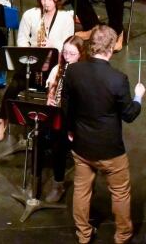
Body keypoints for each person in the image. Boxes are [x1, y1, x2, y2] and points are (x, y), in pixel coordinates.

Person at [62, 25, 146, 244]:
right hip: (110, 151)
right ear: (110, 49)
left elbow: (67, 107)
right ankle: (123, 236)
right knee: (120, 192)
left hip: (81, 145)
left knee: (81, 190)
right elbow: (129, 115)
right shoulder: (118, 79)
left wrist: (70, 130)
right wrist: (138, 97)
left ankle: (83, 235)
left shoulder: (73, 71)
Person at [0, 0, 75, 141]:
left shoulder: (66, 18)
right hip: (31, 63)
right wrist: (33, 50)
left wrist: (53, 46)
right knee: (14, 86)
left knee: (55, 93)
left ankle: (48, 127)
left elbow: (69, 45)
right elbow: (22, 40)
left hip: (54, 65)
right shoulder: (30, 15)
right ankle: (3, 120)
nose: (46, 3)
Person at [40, 35, 85, 203]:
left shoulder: (83, 74)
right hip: (57, 115)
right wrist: (49, 99)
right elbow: (51, 91)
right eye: (65, 52)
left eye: (71, 54)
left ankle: (58, 184)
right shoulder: (58, 68)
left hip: (75, 121)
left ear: (81, 54)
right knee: (39, 138)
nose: (67, 57)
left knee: (59, 145)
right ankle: (35, 179)